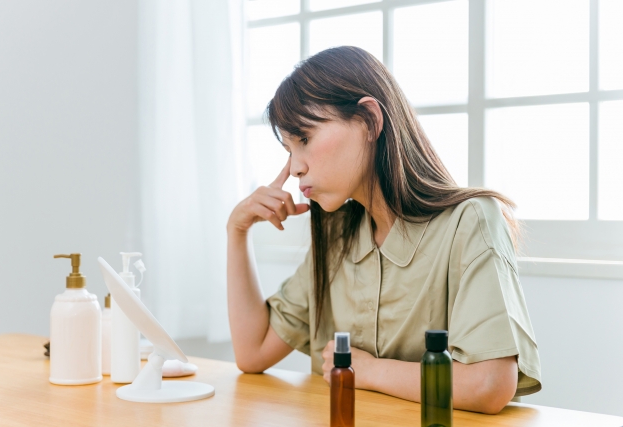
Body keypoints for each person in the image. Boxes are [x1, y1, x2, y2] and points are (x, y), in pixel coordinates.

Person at [226, 46, 541, 415]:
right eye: (288, 149)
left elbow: (489, 384)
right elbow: (252, 352)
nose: (295, 167)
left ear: (370, 120)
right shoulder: (336, 236)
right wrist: (237, 231)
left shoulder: (469, 221)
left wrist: (367, 370)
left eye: (305, 139)